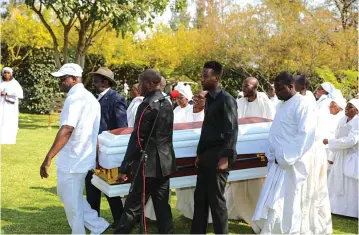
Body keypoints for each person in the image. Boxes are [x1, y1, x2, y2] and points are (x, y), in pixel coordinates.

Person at [39, 63, 109, 234]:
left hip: (73, 159)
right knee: (68, 195)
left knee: (71, 203)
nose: (60, 82)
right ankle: (98, 225)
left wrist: (48, 158)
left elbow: (67, 129)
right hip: (81, 156)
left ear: (75, 79)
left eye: (63, 79)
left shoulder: (75, 98)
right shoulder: (89, 98)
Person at [252, 72, 316, 234]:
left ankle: (288, 231)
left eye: (280, 89)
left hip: (291, 162)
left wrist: (286, 157)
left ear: (291, 87)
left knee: (288, 200)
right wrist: (272, 152)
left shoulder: (302, 104)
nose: (277, 92)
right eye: (276, 89)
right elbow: (277, 131)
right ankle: (272, 229)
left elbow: (306, 134)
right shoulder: (282, 104)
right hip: (277, 162)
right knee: (273, 198)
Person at [114, 69, 176, 234]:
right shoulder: (167, 102)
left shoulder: (147, 105)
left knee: (133, 206)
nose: (139, 87)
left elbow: (137, 139)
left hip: (148, 165)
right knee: (162, 205)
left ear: (149, 84)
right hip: (165, 163)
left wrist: (125, 167)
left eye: (141, 83)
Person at [191, 61, 238, 234]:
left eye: (205, 75)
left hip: (219, 156)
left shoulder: (226, 100)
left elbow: (232, 130)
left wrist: (226, 157)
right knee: (200, 199)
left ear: (216, 78)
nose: (202, 78)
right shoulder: (210, 99)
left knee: (216, 202)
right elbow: (207, 129)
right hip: (207, 155)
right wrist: (200, 153)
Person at [226, 77, 273, 226]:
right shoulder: (239, 102)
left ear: (255, 88)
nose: (244, 88)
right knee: (238, 180)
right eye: (243, 86)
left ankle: (255, 212)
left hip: (259, 149)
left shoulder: (265, 103)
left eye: (247, 86)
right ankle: (237, 211)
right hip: (242, 147)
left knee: (256, 181)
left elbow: (270, 123)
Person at [86, 67, 128, 229]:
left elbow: (121, 128)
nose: (94, 82)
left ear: (104, 81)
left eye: (96, 80)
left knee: (109, 188)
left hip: (107, 151)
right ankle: (94, 220)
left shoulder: (116, 99)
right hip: (93, 150)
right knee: (92, 186)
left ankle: (120, 220)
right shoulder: (96, 99)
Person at [297, 75, 332, 234]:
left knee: (313, 188)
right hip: (305, 149)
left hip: (313, 151)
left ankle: (310, 222)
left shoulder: (314, 105)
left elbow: (317, 131)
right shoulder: (302, 101)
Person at [175, 90, 211, 221]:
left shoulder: (208, 113)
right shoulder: (185, 111)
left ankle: (204, 217)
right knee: (185, 185)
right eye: (195, 97)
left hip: (202, 153)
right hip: (184, 152)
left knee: (201, 187)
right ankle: (189, 212)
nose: (196, 99)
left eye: (200, 98)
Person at [324, 99, 358, 218]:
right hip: (340, 156)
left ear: (357, 110)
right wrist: (332, 156)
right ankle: (336, 209)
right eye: (347, 106)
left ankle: (351, 212)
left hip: (351, 156)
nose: (347, 108)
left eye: (351, 106)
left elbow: (352, 140)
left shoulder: (358, 121)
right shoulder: (342, 120)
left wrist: (330, 142)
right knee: (336, 182)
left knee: (350, 185)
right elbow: (337, 136)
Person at [0, 67, 23, 145]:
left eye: (8, 73)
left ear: (11, 74)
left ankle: (9, 140)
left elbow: (20, 94)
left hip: (10, 107)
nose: (6, 74)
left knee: (10, 122)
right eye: (5, 72)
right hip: (1, 106)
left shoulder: (15, 83)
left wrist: (8, 93)